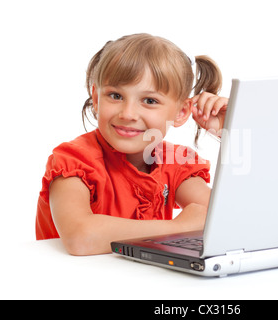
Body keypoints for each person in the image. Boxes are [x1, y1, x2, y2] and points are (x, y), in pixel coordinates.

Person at [35, 33, 229, 255]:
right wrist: (179, 228)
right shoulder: (73, 161)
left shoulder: (176, 163)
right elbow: (81, 238)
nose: (127, 114)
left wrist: (230, 128)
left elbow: (231, 218)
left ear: (181, 112)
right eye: (116, 96)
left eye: (149, 101)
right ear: (96, 99)